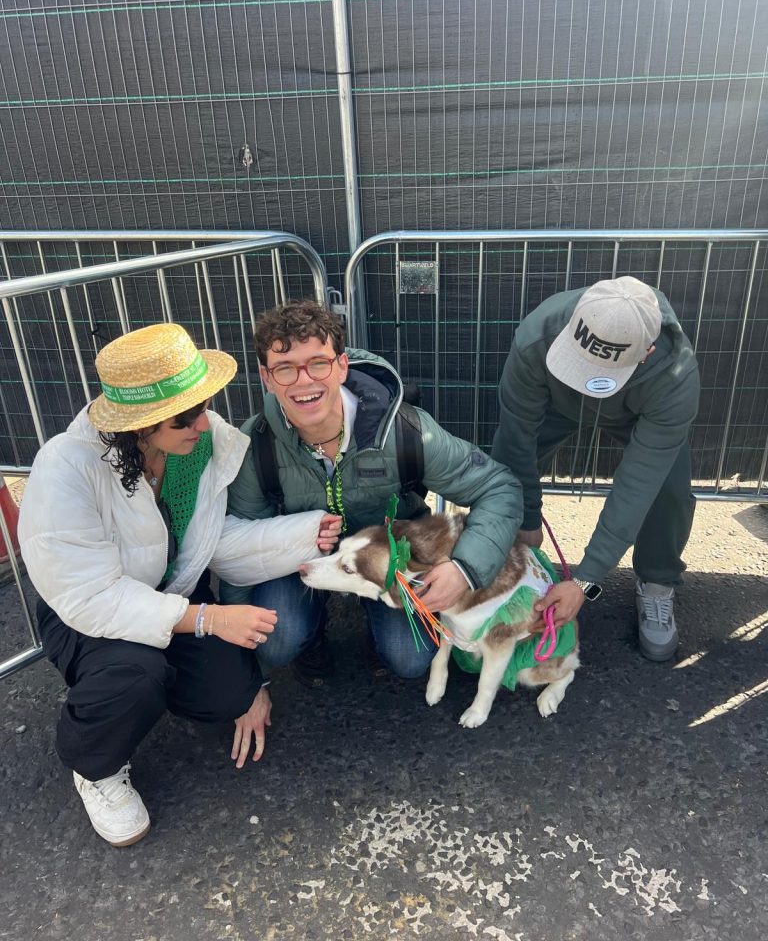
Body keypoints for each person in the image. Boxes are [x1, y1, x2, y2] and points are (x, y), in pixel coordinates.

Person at [18, 323, 340, 847]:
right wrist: (209, 619)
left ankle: (138, 697)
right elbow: (89, 596)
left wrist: (305, 535)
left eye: (205, 402)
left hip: (169, 599)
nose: (203, 419)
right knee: (135, 672)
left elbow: (209, 544)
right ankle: (96, 765)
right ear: (139, 424)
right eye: (186, 413)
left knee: (232, 692)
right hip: (84, 613)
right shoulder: (66, 466)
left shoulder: (195, 446)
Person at [220, 299, 523, 687]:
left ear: (341, 365)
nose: (304, 381)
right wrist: (247, 677)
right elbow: (237, 550)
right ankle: (309, 639)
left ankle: (376, 633)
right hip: (296, 559)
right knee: (277, 640)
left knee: (409, 657)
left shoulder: (406, 431)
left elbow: (499, 488)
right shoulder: (256, 444)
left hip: (392, 556)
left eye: (318, 363)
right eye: (284, 368)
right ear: (266, 377)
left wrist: (465, 568)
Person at [491, 276, 700, 661]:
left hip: (636, 410)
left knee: (668, 489)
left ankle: (656, 581)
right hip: (557, 399)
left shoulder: (676, 378)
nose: (589, 381)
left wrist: (586, 579)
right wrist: (527, 518)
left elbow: (638, 484)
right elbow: (517, 436)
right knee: (503, 469)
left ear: (648, 351)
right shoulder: (538, 334)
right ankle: (497, 562)